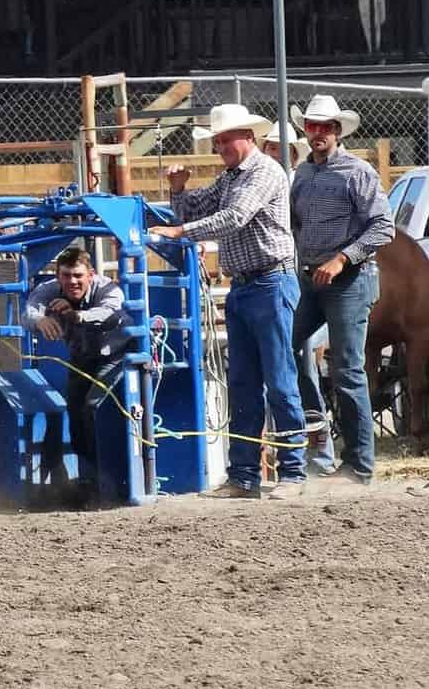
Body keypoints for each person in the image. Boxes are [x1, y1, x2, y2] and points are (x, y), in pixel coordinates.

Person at [150, 103, 307, 499]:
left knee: (279, 379)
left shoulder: (265, 173)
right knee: (244, 383)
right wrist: (179, 192)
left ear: (248, 138)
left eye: (225, 139)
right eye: (217, 141)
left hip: (270, 282)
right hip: (248, 286)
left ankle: (292, 472)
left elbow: (233, 217)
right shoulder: (232, 176)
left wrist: (179, 230)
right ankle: (244, 475)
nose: (220, 146)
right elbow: (201, 205)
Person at [289, 95, 395, 484]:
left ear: (337, 131)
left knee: (348, 368)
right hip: (312, 276)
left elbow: (383, 227)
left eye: (324, 127)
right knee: (287, 346)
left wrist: (341, 259)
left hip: (349, 278)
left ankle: (359, 465)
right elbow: (296, 224)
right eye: (312, 126)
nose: (317, 133)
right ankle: (319, 442)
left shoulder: (358, 172)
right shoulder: (302, 175)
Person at [23, 247, 131, 505]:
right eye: (66, 275)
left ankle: (106, 481)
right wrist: (38, 321)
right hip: (81, 358)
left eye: (78, 276)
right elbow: (28, 310)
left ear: (91, 275)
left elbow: (109, 312)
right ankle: (88, 479)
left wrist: (75, 315)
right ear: (58, 276)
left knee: (93, 408)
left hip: (114, 356)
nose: (73, 281)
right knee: (74, 412)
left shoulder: (108, 289)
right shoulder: (49, 289)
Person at [262, 121, 333, 474]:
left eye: (280, 149)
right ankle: (289, 453)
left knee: (302, 369)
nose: (274, 153)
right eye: (271, 147)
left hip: (298, 284)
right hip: (285, 284)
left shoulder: (300, 184)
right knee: (284, 366)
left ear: (292, 155)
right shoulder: (287, 183)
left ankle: (318, 453)